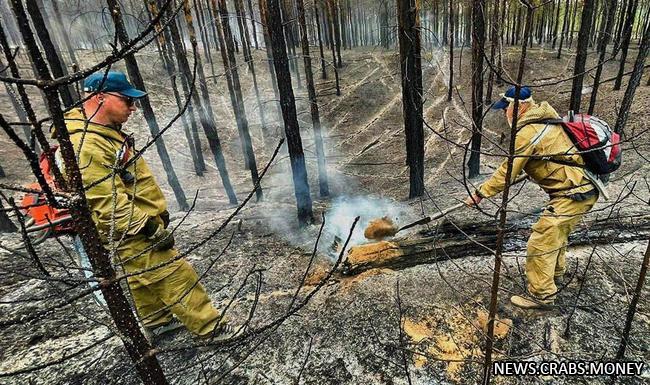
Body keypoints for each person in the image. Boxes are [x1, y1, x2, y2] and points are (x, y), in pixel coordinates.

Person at [55, 70, 236, 339]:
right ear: (100, 97)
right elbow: (107, 204)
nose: (133, 107)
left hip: (132, 226)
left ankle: (159, 324)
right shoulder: (86, 144)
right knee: (172, 273)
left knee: (141, 276)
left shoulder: (101, 133)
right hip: (129, 228)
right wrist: (149, 227)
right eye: (126, 100)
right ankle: (212, 329)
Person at [464, 86, 600, 310]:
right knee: (556, 235)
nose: (504, 113)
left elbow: (508, 170)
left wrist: (479, 194)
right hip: (582, 189)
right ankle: (555, 274)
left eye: (506, 108)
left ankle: (542, 295)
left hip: (573, 193)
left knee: (540, 241)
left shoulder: (528, 132)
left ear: (517, 107)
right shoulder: (545, 121)